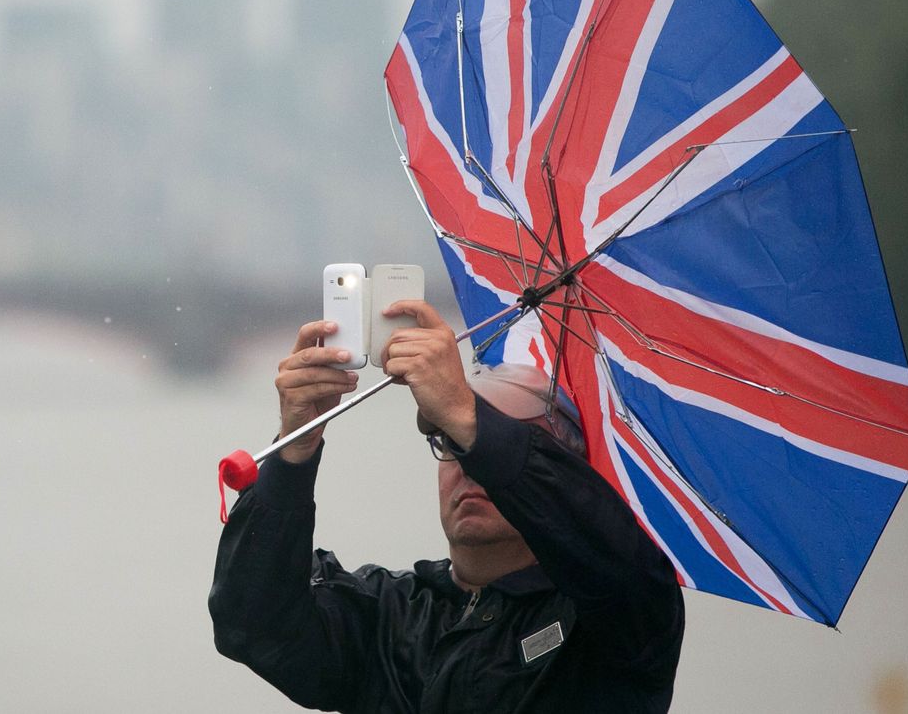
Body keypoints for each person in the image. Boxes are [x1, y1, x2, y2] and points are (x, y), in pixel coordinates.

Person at [209, 299, 684, 712]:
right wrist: (294, 453)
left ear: (562, 471)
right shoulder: (390, 615)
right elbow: (252, 625)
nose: (468, 464)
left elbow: (619, 563)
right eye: (449, 443)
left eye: (479, 445)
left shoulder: (616, 616)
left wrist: (467, 419)